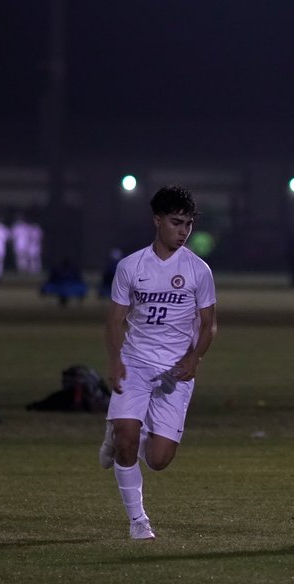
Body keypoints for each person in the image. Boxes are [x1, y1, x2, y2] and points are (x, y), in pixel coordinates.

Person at [98, 186, 217, 540]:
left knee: (159, 460)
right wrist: (116, 360)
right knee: (127, 442)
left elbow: (209, 324)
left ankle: (125, 426)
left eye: (188, 225)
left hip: (174, 372)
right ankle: (138, 521)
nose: (183, 231)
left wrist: (195, 358)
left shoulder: (198, 270)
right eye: (176, 223)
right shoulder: (131, 266)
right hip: (135, 362)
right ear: (157, 221)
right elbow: (114, 320)